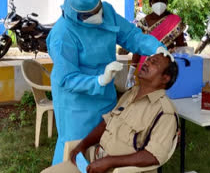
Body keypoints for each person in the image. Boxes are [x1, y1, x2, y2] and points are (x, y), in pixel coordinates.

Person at [47, 0, 173, 165]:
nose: (97, 16)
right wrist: (98, 80)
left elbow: (131, 35)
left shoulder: (107, 12)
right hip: (76, 104)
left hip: (105, 97)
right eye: (89, 14)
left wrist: (155, 47)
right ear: (76, 11)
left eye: (97, 8)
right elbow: (67, 78)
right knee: (75, 149)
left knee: (106, 139)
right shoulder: (62, 34)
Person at [41, 53, 179, 173]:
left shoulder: (165, 113)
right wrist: (82, 145)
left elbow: (153, 156)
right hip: (92, 163)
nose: (146, 62)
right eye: (148, 59)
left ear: (165, 78)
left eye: (153, 62)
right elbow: (107, 123)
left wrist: (109, 162)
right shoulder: (131, 93)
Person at [125, 0, 187, 89]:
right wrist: (131, 71)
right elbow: (137, 48)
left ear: (166, 3)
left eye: (162, 1)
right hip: (147, 68)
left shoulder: (175, 21)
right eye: (156, 1)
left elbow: (181, 47)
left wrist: (173, 51)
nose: (159, 4)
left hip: (166, 69)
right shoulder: (143, 23)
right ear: (150, 3)